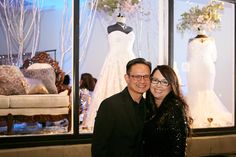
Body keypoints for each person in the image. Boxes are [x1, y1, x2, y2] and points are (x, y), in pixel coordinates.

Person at [83, 13, 136, 131]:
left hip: (130, 60)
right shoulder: (110, 28)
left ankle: (131, 119)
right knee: (112, 88)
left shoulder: (131, 29)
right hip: (114, 61)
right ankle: (113, 120)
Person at [92, 58, 151, 157]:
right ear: (127, 78)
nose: (142, 81)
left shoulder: (148, 106)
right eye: (137, 76)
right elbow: (99, 148)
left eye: (146, 76)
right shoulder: (110, 105)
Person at [143, 65, 191, 157]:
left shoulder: (174, 109)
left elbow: (178, 150)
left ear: (171, 86)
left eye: (164, 82)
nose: (158, 85)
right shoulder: (147, 106)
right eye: (155, 80)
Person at [186, 32, 232, 128]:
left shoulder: (211, 40)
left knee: (207, 91)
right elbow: (214, 57)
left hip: (204, 69)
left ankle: (207, 116)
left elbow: (214, 57)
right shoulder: (191, 40)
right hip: (197, 68)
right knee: (196, 91)